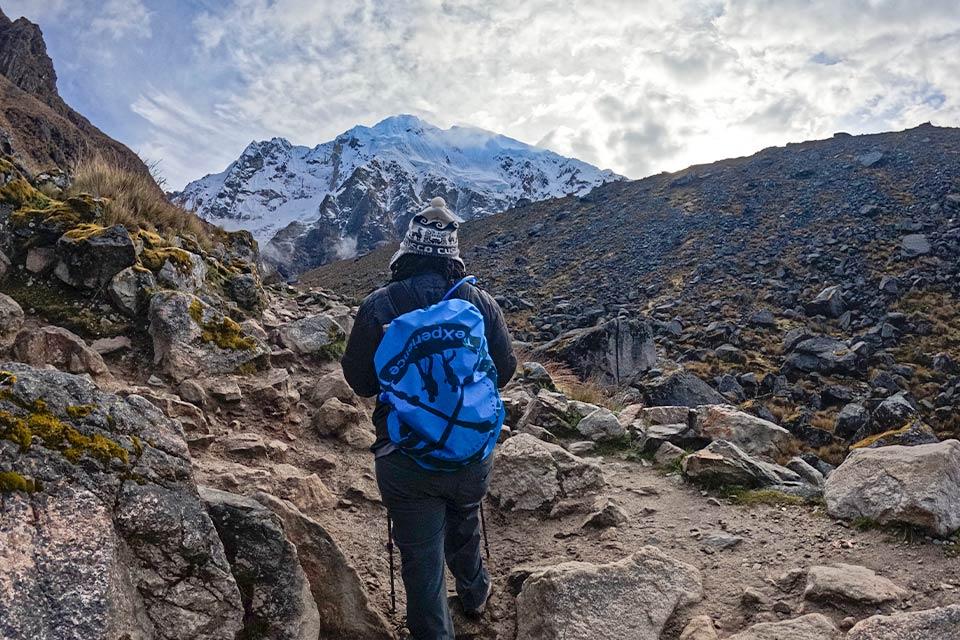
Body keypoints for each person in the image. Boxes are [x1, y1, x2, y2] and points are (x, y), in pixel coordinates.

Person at [341, 197, 517, 640]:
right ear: (453, 256)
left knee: (421, 561)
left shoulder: (380, 305)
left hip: (405, 457)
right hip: (471, 449)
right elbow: (506, 370)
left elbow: (360, 381)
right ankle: (475, 595)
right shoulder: (479, 303)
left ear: (407, 251)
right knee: (465, 516)